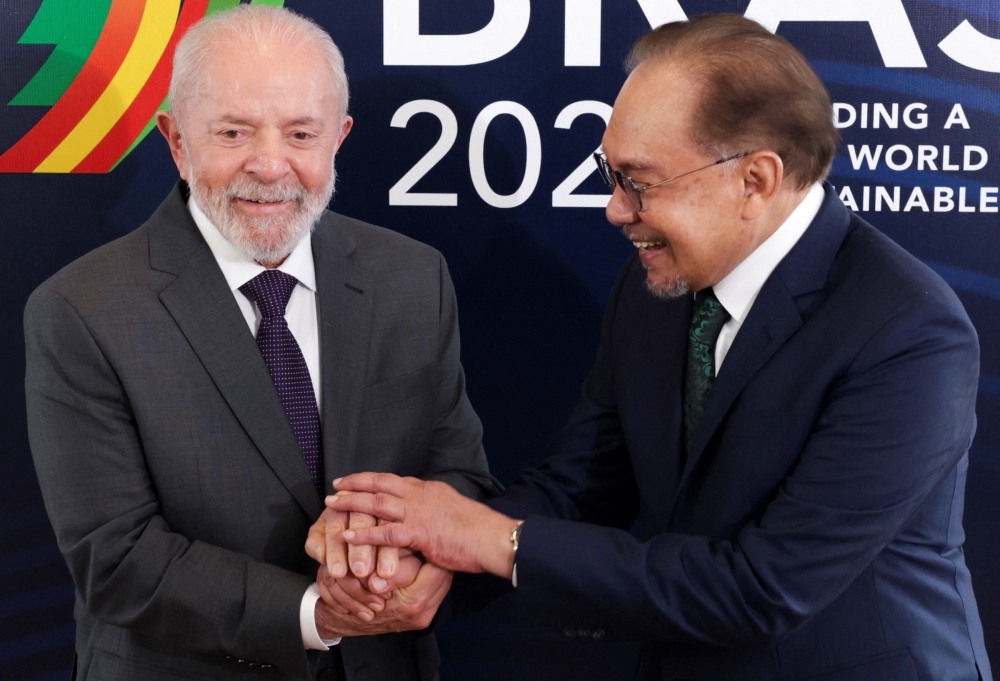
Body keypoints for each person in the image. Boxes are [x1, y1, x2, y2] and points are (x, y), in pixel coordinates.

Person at [312, 14, 992, 681]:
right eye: (610, 174)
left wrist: (487, 538)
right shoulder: (651, 290)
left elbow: (763, 588)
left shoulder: (908, 331)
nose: (613, 208)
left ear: (754, 180)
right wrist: (415, 565)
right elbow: (579, 489)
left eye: (638, 181)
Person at [24, 6, 499, 681]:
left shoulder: (413, 278)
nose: (271, 165)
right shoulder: (81, 310)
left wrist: (416, 561)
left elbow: (460, 473)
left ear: (339, 138)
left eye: (301, 133)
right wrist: (314, 612)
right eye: (233, 132)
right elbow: (117, 555)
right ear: (176, 141)